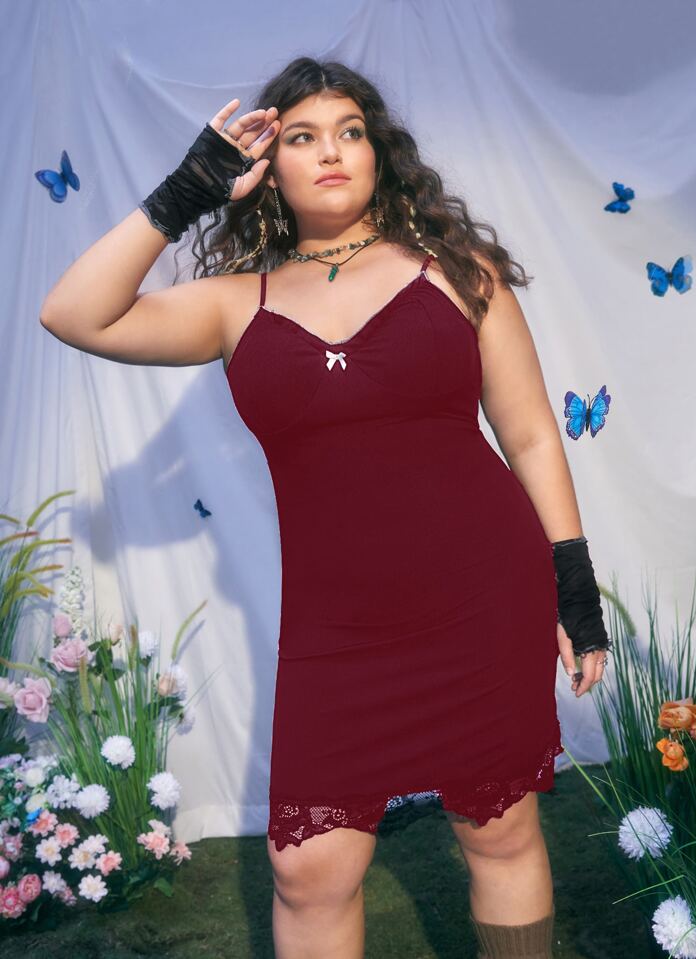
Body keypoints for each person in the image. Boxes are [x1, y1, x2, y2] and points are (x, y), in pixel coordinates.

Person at [40, 56, 611, 959]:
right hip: (338, 625)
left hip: (482, 595)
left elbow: (534, 436)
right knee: (308, 871)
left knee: (498, 829)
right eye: (303, 137)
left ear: (379, 153)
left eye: (350, 132)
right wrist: (188, 188)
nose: (333, 151)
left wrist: (572, 582)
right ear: (269, 168)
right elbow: (75, 314)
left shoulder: (459, 273)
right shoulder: (237, 304)